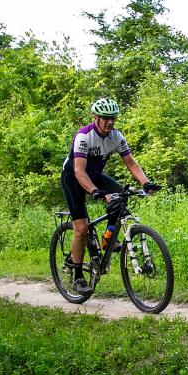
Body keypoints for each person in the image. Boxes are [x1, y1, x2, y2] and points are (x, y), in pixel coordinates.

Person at [61, 97, 157, 293]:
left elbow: (131, 163)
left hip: (95, 175)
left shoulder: (116, 136)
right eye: (105, 118)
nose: (110, 122)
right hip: (73, 177)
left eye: (113, 118)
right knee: (81, 227)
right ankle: (78, 275)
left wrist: (145, 183)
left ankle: (108, 240)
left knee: (121, 197)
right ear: (96, 117)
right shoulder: (84, 136)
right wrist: (95, 191)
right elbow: (79, 171)